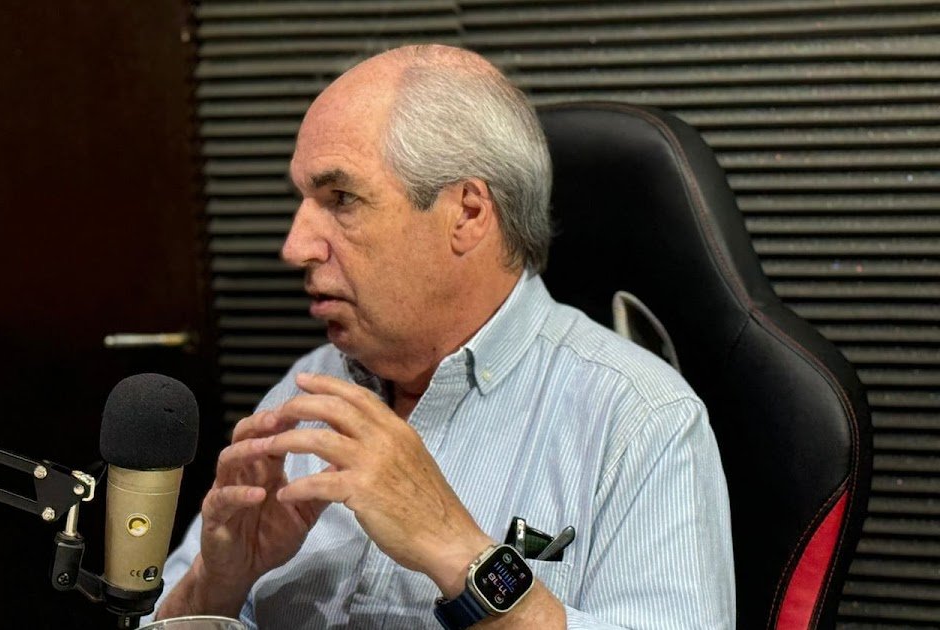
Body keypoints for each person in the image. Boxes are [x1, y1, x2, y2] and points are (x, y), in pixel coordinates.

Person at [153, 44, 735, 629]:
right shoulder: (305, 389)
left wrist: (458, 552)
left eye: (341, 199)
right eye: (303, 202)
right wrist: (215, 585)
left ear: (468, 214)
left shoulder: (640, 419)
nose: (295, 246)